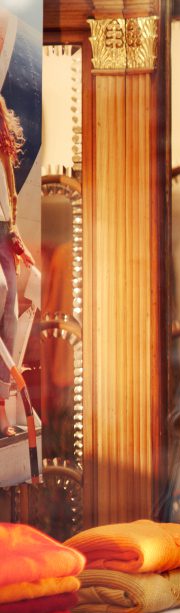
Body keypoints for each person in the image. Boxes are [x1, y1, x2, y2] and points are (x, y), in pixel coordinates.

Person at [0, 94, 34, 437]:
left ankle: (1, 413)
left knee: (10, 313)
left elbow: (12, 188)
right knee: (2, 291)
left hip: (2, 229)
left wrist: (13, 226)